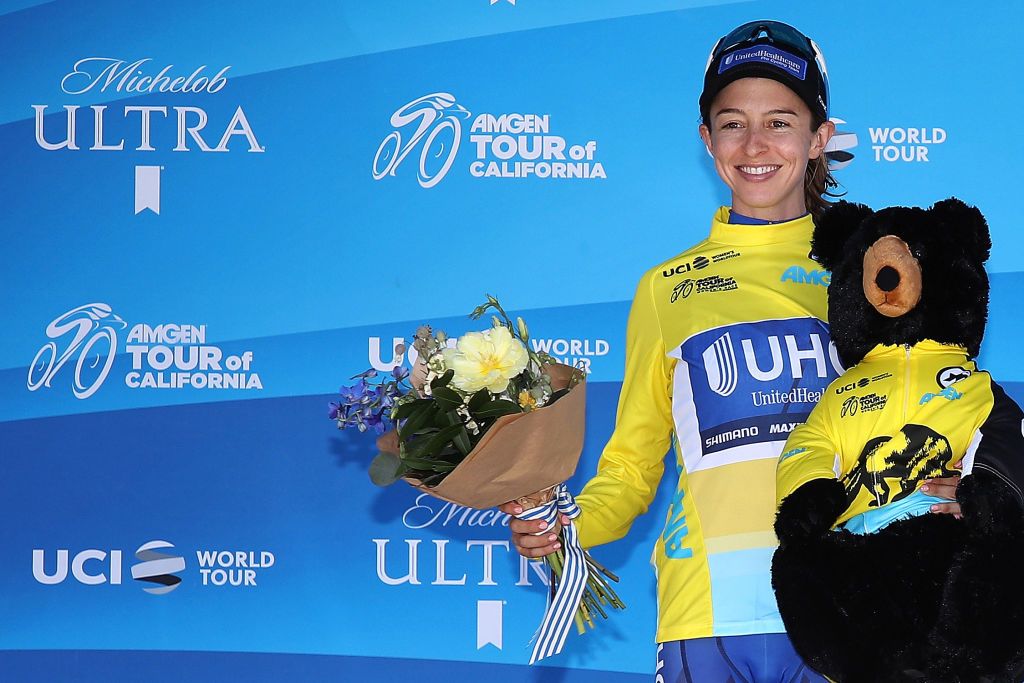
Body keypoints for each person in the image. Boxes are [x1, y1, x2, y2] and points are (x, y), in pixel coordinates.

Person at [500, 20, 962, 682]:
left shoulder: (876, 271)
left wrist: (960, 484)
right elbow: (631, 467)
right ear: (706, 140)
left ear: (819, 138)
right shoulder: (665, 289)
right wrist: (563, 527)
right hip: (706, 620)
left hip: (847, 611)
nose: (754, 144)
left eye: (779, 121)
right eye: (731, 123)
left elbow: (937, 415)